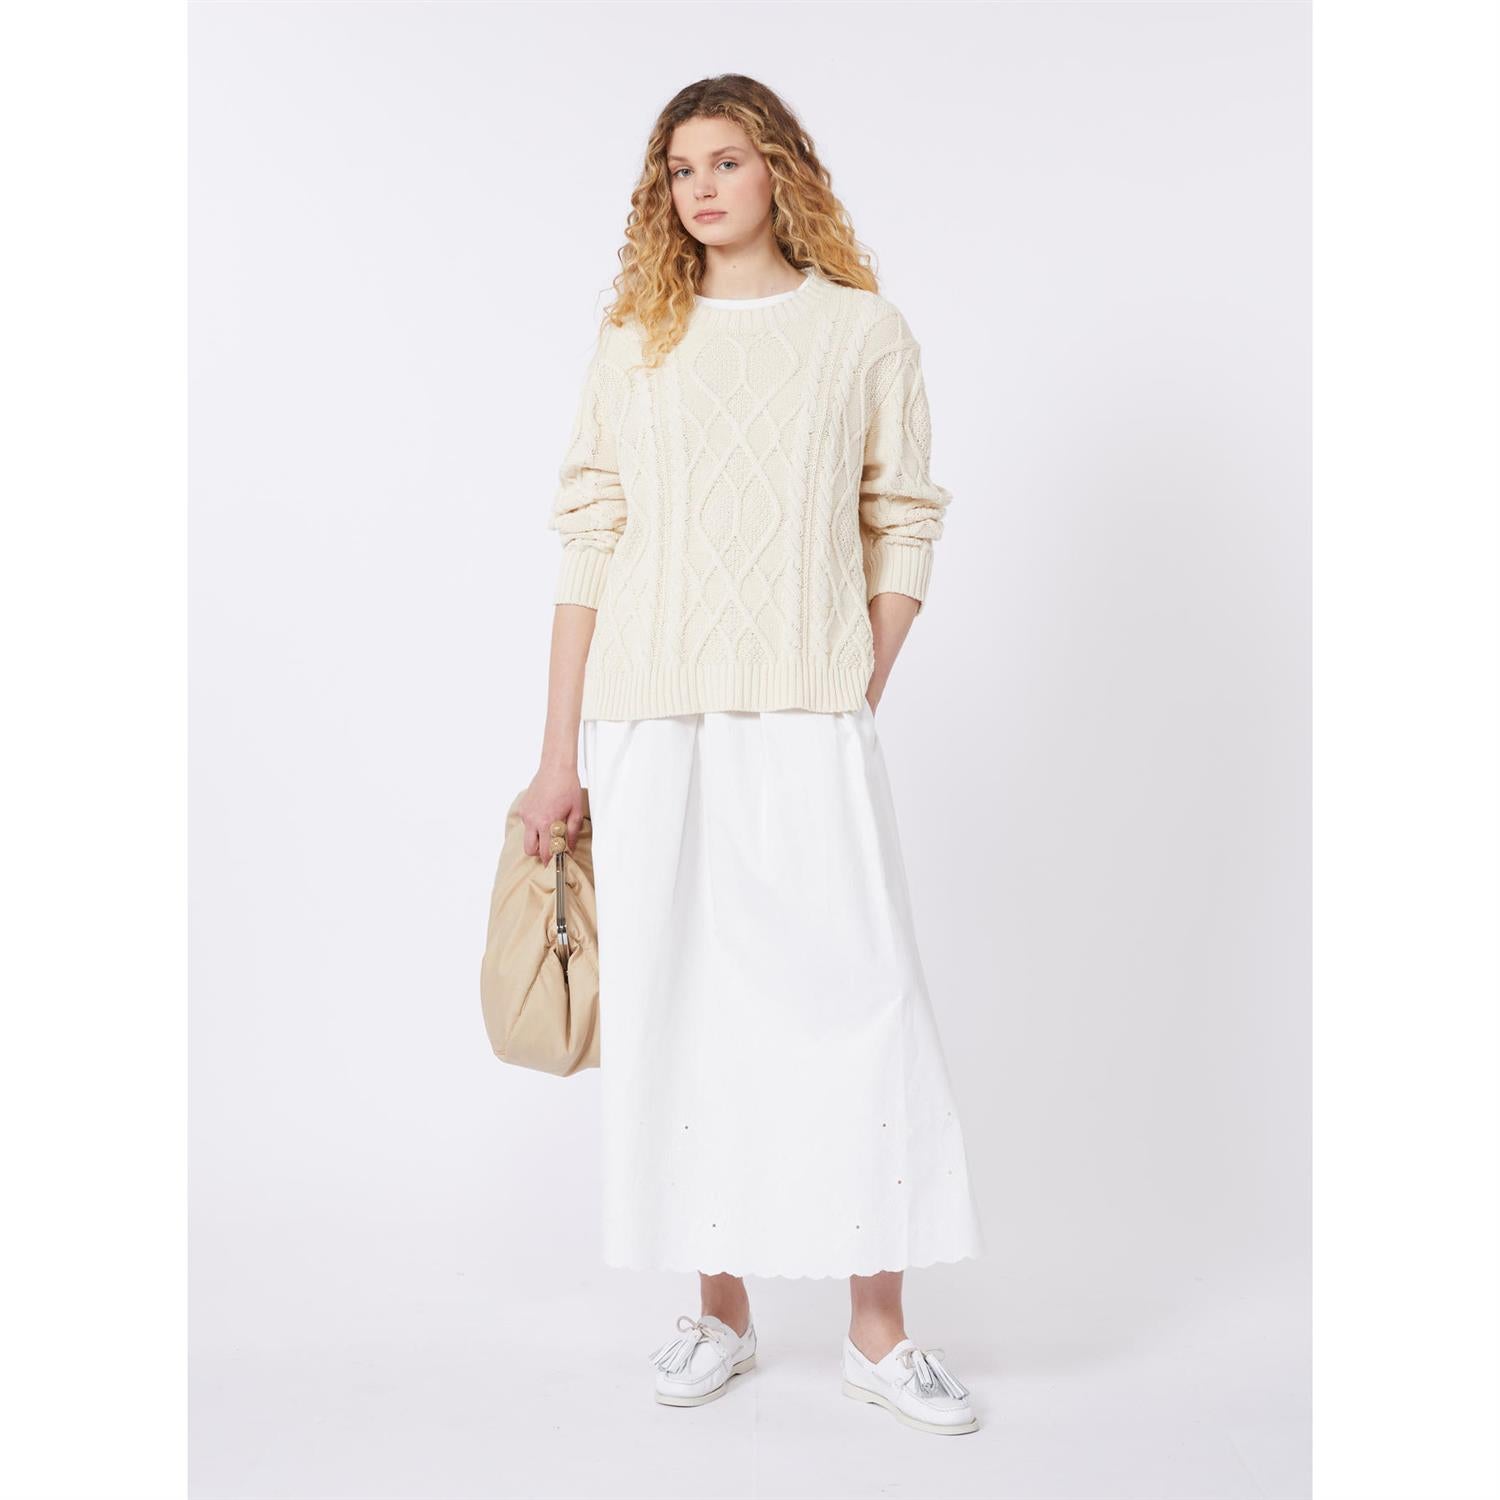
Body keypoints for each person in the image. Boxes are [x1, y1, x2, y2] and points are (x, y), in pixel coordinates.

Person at [518, 73, 986, 1436]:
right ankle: (718, 1311)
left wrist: (854, 677)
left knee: (860, 1002)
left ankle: (880, 1332)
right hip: (651, 719)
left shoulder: (862, 333)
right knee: (684, 1013)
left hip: (805, 718)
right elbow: (589, 536)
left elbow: (903, 518)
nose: (702, 188)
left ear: (781, 168)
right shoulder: (636, 339)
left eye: (726, 160)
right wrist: (558, 756)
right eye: (679, 169)